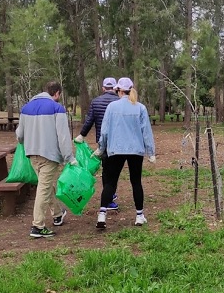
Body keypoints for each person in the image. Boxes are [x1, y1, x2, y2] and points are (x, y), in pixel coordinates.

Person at [16, 81, 77, 238]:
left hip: (31, 154)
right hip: (49, 156)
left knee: (46, 185)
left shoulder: (26, 108)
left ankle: (57, 214)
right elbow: (63, 136)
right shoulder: (57, 108)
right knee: (43, 188)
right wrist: (69, 158)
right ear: (57, 93)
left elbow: (19, 135)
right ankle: (38, 226)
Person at [93, 77, 155, 229]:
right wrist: (151, 152)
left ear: (119, 90)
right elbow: (146, 131)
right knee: (136, 182)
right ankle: (139, 216)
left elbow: (105, 131)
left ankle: (102, 215)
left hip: (116, 149)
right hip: (136, 150)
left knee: (110, 182)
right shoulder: (140, 107)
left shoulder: (112, 107)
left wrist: (101, 148)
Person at [74, 77, 120, 211]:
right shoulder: (119, 101)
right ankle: (110, 196)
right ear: (115, 88)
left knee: (106, 169)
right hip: (118, 142)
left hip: (102, 142)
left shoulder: (96, 102)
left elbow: (89, 121)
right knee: (115, 170)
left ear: (103, 88)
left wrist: (82, 135)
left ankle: (109, 194)